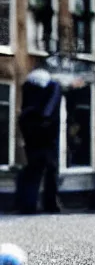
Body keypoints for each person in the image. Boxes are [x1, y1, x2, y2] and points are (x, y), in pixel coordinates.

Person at [16, 68, 64, 214]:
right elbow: (48, 111)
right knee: (50, 170)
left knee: (34, 171)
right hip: (47, 137)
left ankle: (28, 205)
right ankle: (50, 204)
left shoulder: (28, 94)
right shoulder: (53, 88)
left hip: (32, 137)